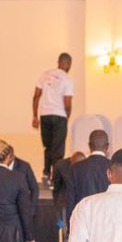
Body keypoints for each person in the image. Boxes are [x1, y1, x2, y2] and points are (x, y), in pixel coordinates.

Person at [32, 52, 74, 185]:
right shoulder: (67, 79)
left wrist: (35, 116)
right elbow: (67, 102)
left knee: (48, 147)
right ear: (68, 64)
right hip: (59, 115)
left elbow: (36, 96)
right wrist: (67, 116)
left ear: (58, 62)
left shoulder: (45, 75)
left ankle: (46, 173)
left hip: (45, 115)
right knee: (58, 149)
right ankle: (55, 179)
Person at [9, 149, 42, 242]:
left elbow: (34, 189)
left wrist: (31, 208)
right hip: (6, 213)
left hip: (23, 211)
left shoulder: (24, 166)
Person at [66, 130, 111, 225]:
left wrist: (71, 227)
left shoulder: (75, 168)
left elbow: (70, 201)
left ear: (89, 146)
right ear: (107, 146)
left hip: (83, 222)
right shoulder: (113, 167)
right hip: (107, 223)